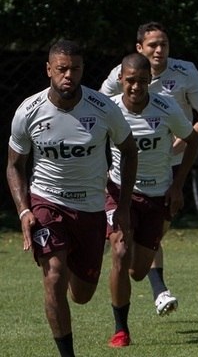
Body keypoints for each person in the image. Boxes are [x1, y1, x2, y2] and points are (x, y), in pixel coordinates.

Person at [6, 40, 138, 357]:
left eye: (75, 69)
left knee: (81, 294)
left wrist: (122, 207)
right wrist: (24, 210)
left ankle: (69, 270)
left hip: (91, 210)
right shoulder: (29, 110)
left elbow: (130, 151)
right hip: (46, 202)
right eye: (62, 69)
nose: (68, 75)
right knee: (53, 275)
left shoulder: (104, 108)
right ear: (49, 69)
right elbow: (14, 164)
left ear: (82, 70)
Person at [100, 21, 198, 316]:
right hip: (128, 166)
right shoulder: (122, 74)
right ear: (139, 48)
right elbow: (99, 110)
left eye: (164, 44)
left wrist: (180, 142)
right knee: (124, 245)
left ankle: (147, 278)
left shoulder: (186, 72)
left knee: (152, 236)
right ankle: (158, 290)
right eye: (153, 45)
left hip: (172, 164)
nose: (159, 50)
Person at [105, 53, 198, 348]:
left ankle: (145, 280)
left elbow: (193, 138)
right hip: (119, 192)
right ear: (121, 79)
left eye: (142, 81)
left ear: (150, 82)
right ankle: (121, 331)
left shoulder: (166, 108)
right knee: (120, 253)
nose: (136, 87)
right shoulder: (109, 110)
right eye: (130, 81)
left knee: (138, 271)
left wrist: (178, 186)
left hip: (158, 194)